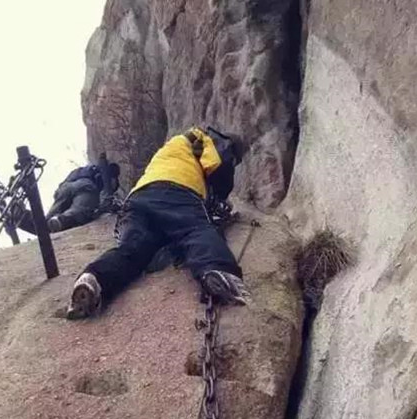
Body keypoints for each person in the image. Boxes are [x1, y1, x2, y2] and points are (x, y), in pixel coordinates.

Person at [67, 126, 250, 320]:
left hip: (138, 199)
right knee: (196, 231)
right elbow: (221, 172)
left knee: (133, 250)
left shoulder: (174, 144)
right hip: (177, 192)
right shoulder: (211, 141)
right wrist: (221, 196)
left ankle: (95, 279)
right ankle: (219, 271)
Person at [14, 154, 120, 234]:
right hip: (86, 187)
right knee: (80, 212)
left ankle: (20, 216)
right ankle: (61, 220)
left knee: (45, 226)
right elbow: (107, 194)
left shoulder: (88, 168)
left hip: (65, 188)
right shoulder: (107, 176)